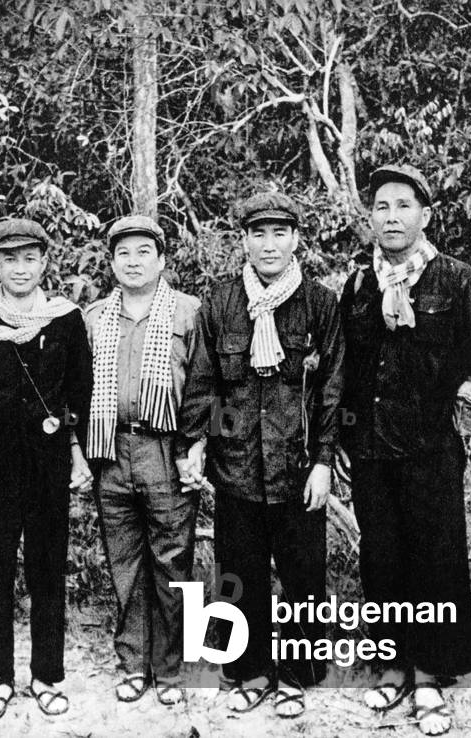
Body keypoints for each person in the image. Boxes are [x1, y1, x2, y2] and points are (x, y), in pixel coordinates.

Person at [339, 165, 471, 736]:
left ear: (425, 215)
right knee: (381, 559)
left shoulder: (456, 279)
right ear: (370, 218)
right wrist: (340, 440)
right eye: (381, 207)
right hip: (369, 451)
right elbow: (346, 374)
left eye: (403, 206)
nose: (391, 217)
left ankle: (429, 677)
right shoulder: (360, 286)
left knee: (434, 560)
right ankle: (390, 665)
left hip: (432, 450)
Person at [176, 192, 345, 718]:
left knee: (302, 573)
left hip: (297, 469)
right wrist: (195, 443)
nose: (268, 245)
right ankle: (249, 671)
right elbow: (204, 381)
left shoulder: (319, 303)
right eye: (258, 234)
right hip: (237, 467)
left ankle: (296, 675)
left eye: (279, 233)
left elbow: (332, 388)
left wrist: (323, 460)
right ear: (243, 241)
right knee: (238, 570)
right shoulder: (222, 301)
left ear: (296, 239)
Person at [0, 218, 93, 721]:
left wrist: (78, 453)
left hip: (47, 466)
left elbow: (81, 394)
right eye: (9, 259)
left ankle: (47, 675)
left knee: (47, 570)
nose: (20, 268)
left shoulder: (66, 320)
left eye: (30, 258)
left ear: (45, 262)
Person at [83, 215, 201, 706]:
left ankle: (172, 669)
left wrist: (193, 447)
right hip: (110, 450)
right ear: (111, 262)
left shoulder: (189, 312)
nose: (133, 262)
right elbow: (77, 390)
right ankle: (133, 663)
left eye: (143, 253)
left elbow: (202, 387)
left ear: (162, 259)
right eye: (123, 254)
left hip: (165, 450)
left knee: (173, 561)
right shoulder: (92, 318)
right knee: (125, 562)